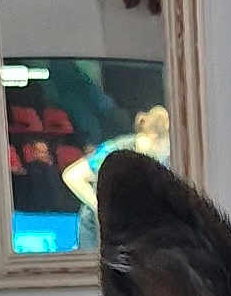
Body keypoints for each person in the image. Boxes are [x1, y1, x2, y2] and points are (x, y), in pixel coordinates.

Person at [61, 107, 170, 250]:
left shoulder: (161, 159)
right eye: (169, 143)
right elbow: (72, 176)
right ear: (155, 136)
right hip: (97, 232)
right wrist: (102, 208)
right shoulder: (114, 151)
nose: (170, 150)